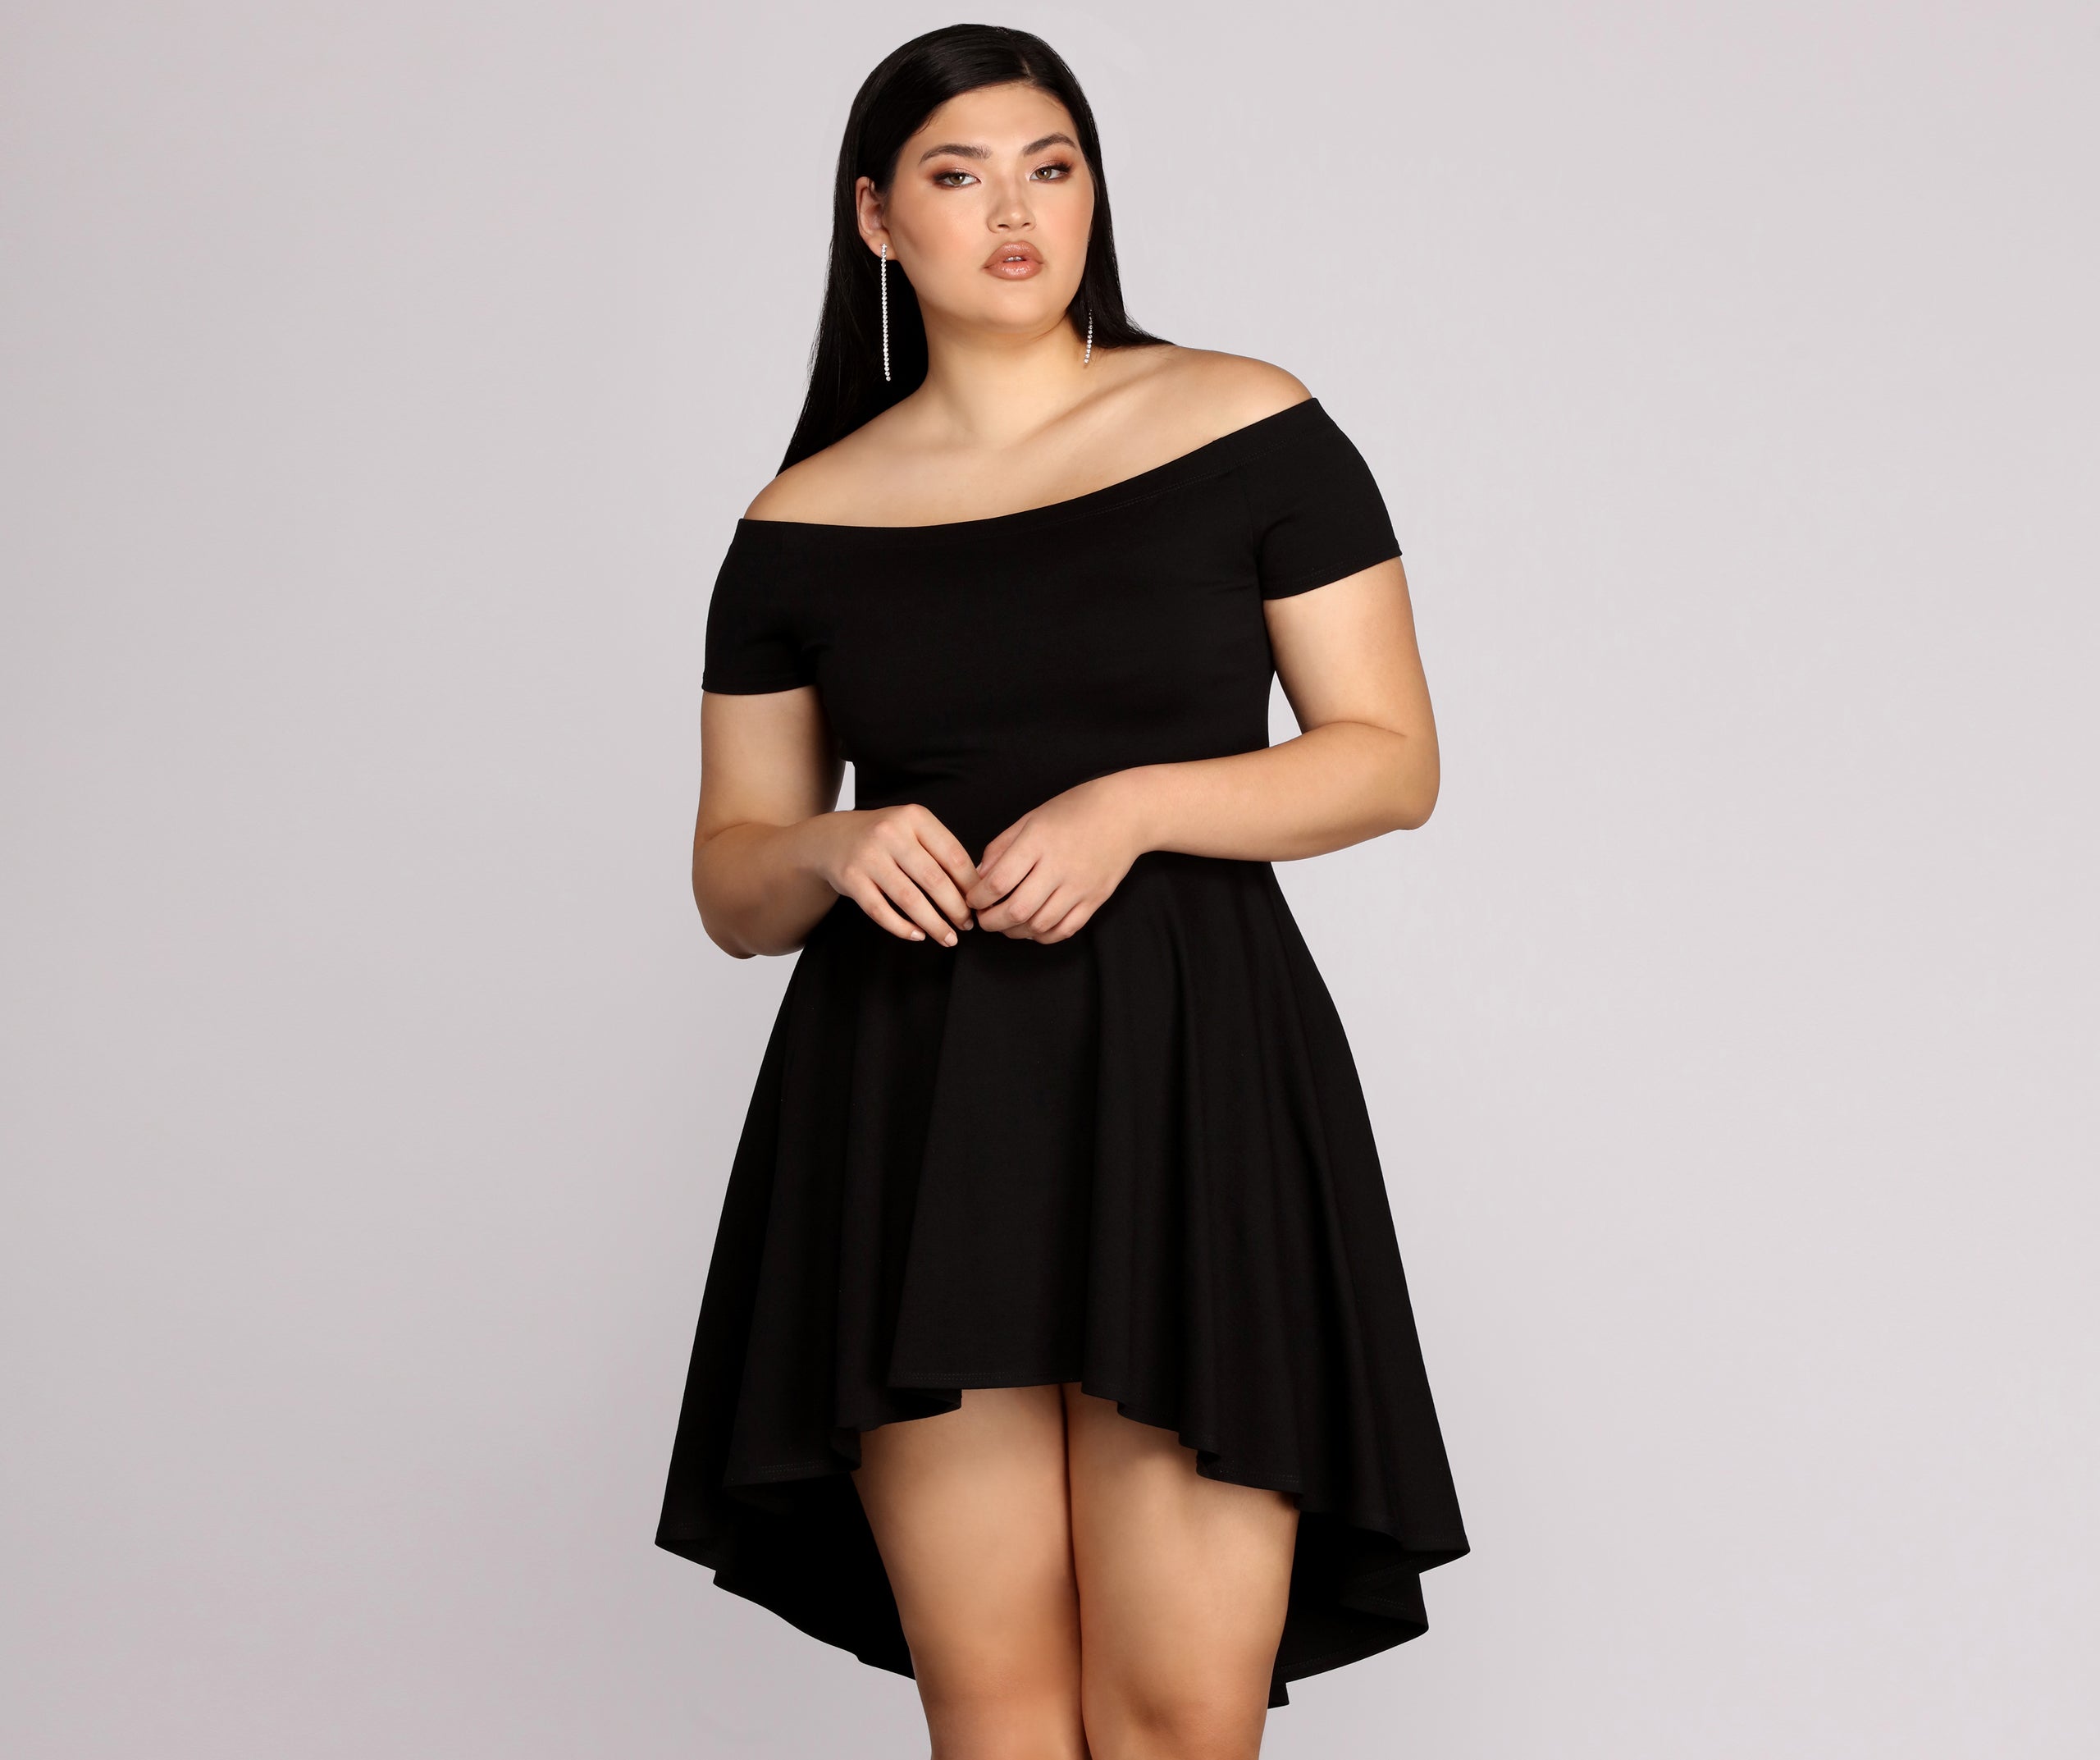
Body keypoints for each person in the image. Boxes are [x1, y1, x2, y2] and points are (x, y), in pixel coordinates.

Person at [655, 23, 1469, 1757]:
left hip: (1187, 1077)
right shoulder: (798, 525)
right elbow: (734, 879)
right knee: (999, 1712)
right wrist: (830, 845)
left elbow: (1390, 758)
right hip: (909, 1108)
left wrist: (1135, 807)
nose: (1015, 212)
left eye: (1051, 166)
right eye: (958, 176)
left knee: (1179, 1711)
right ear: (876, 218)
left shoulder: (1245, 423)